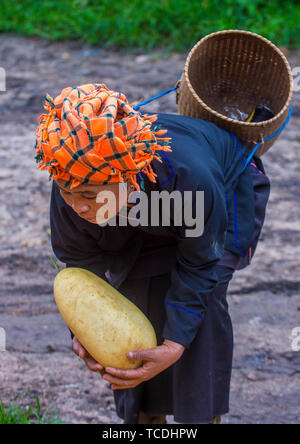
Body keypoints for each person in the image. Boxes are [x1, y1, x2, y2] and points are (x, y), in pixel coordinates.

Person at [35, 81, 270, 424]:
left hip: (216, 197)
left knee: (199, 311)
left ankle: (201, 419)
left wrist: (175, 344)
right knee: (131, 291)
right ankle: (145, 417)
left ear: (127, 177)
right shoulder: (75, 177)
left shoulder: (190, 178)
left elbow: (200, 263)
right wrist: (85, 333)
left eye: (87, 195)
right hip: (139, 206)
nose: (76, 206)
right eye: (66, 192)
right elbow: (83, 271)